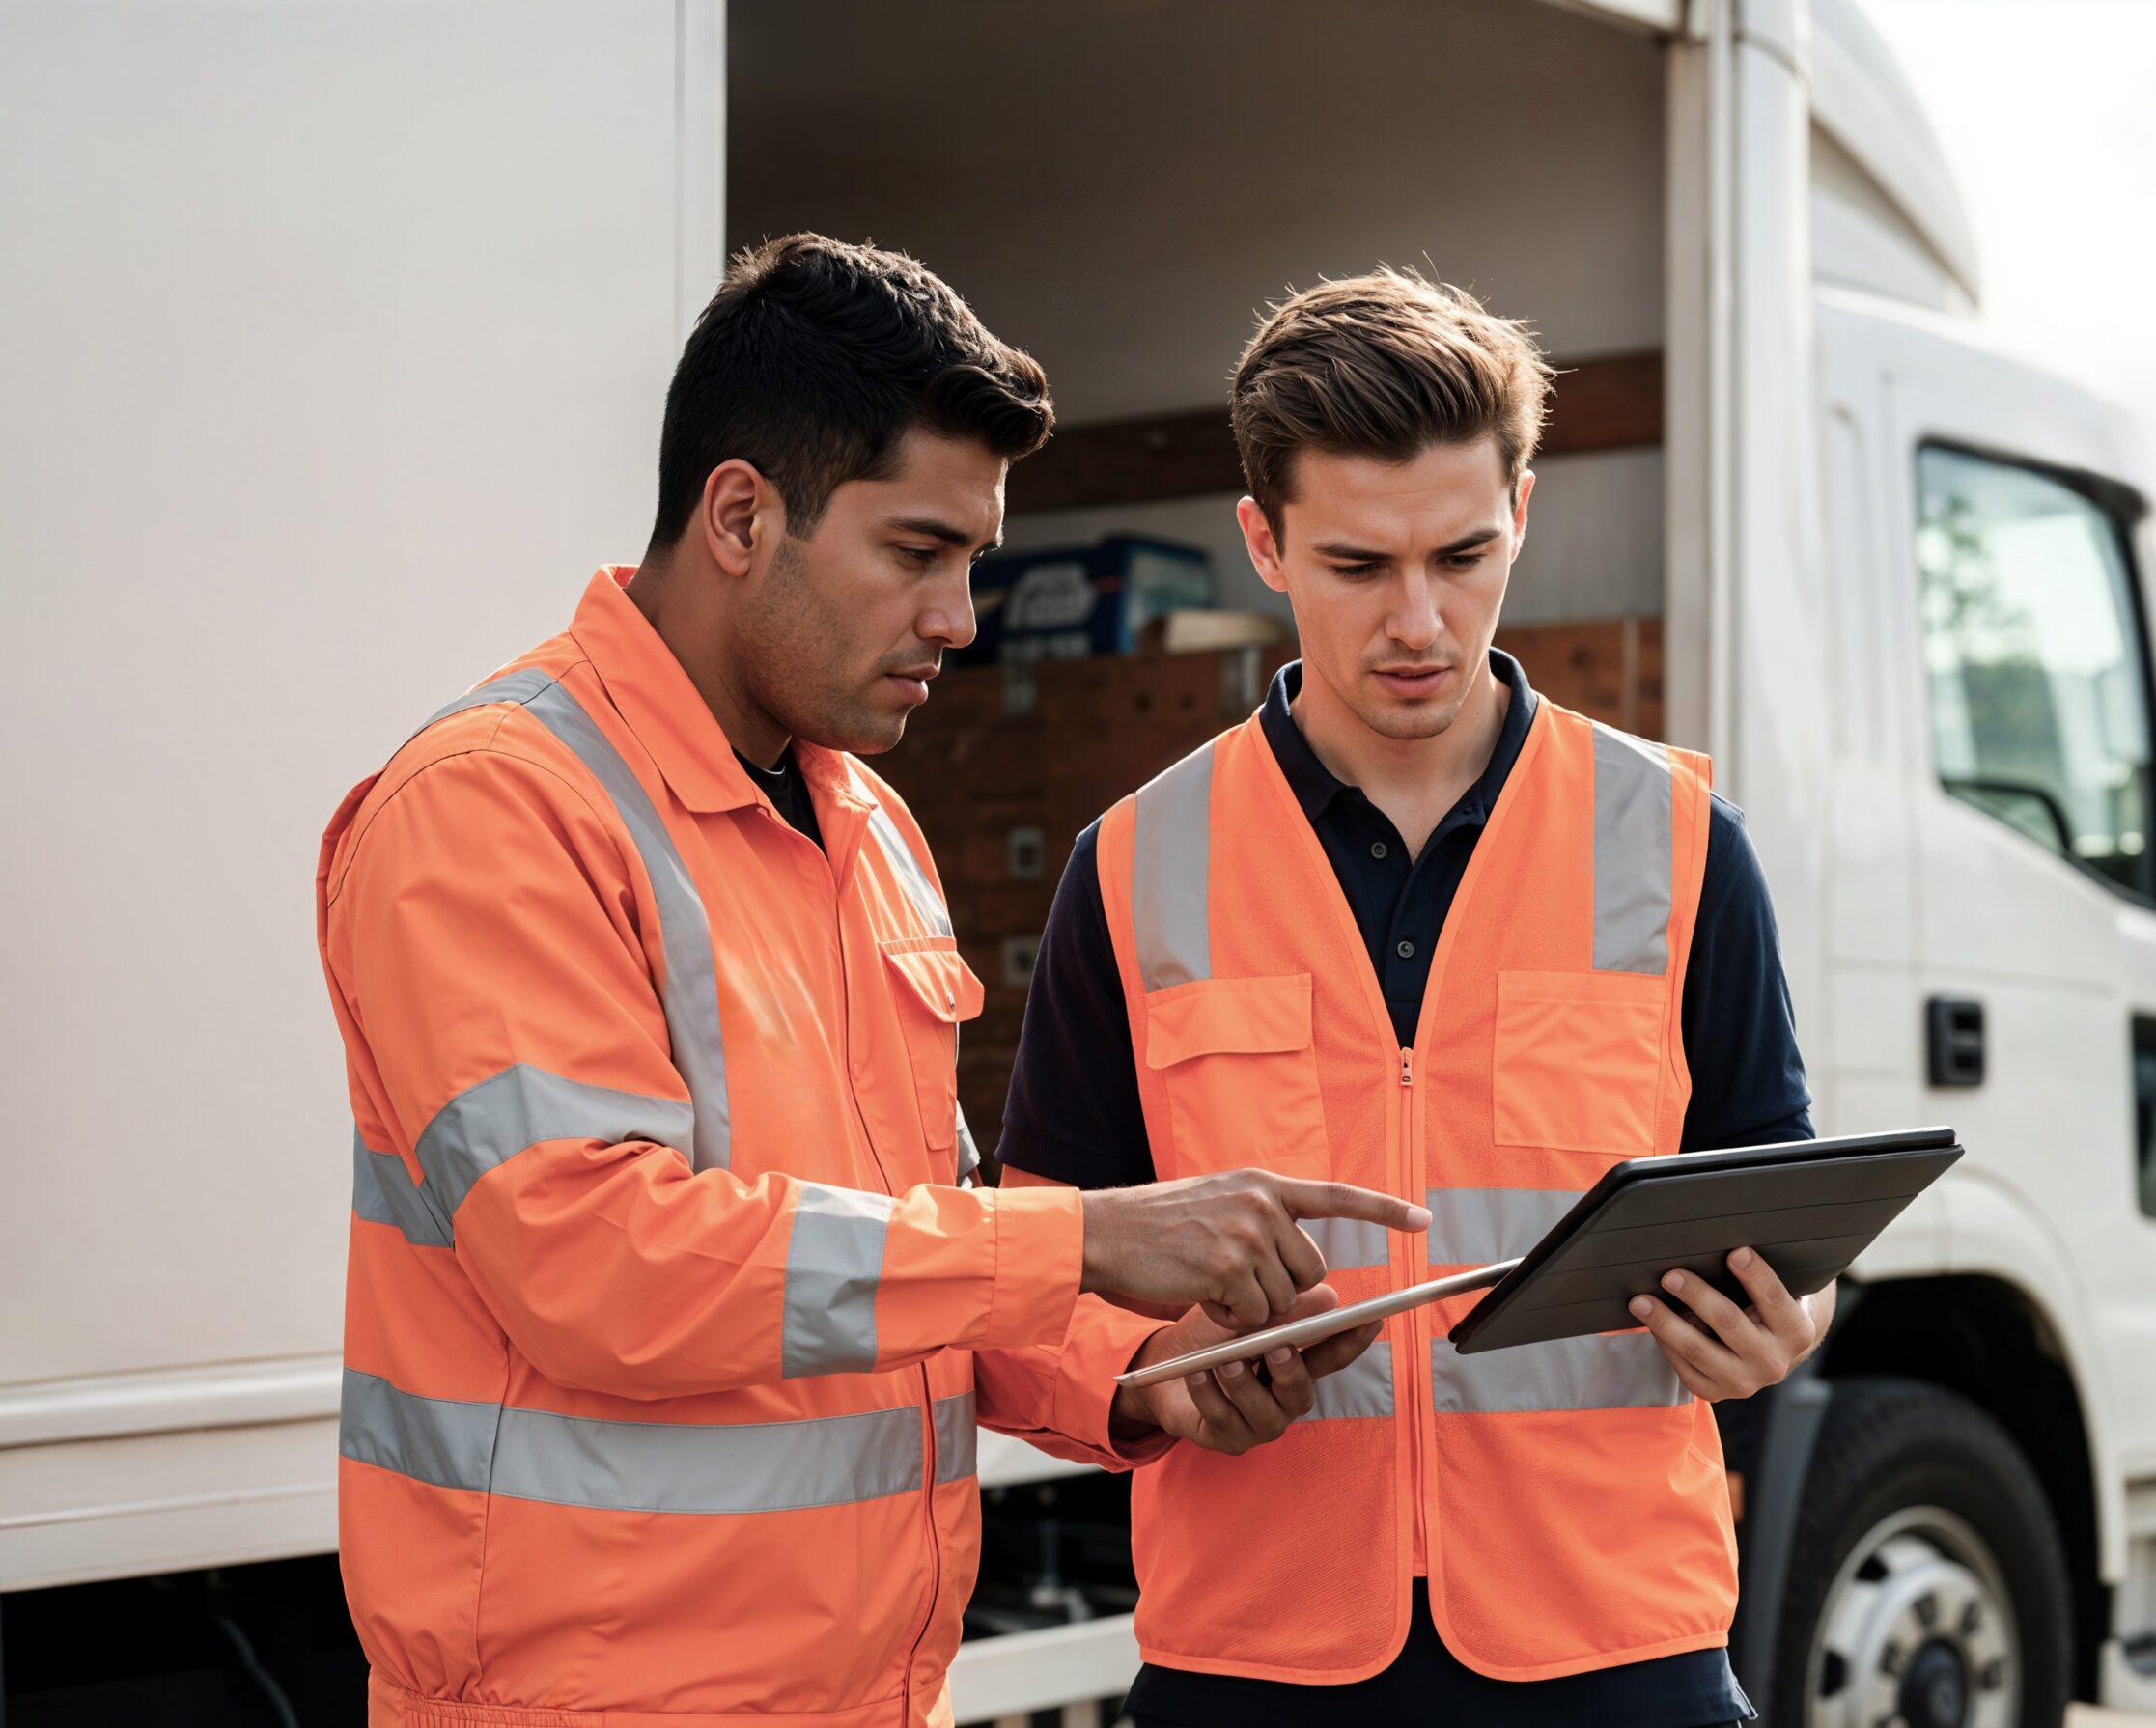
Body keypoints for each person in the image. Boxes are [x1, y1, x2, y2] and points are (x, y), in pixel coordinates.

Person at [314, 235, 1422, 1728]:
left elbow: (914, 1260)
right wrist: (1086, 1240)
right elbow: (598, 1265)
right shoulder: (495, 808)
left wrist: (1153, 1368)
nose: (959, 618)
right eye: (916, 553)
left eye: (973, 561)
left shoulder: (865, 825)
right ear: (738, 515)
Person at [998, 270, 1828, 1728]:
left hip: (1616, 1650)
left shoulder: (1678, 839)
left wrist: (1784, 1323)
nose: (1419, 621)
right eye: (1358, 565)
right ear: (1264, 539)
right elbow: (1027, 1265)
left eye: (1462, 554)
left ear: (1523, 509)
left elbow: (1782, 1214)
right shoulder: (1135, 867)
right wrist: (1152, 1373)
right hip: (1258, 1659)